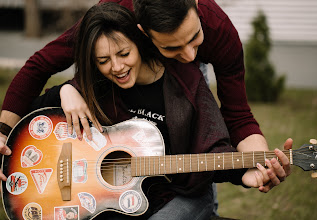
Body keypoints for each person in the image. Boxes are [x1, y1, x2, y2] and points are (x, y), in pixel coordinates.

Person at [21, 3, 286, 219]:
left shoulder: (186, 84)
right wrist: (66, 90)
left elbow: (214, 146)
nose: (117, 66)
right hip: (113, 204)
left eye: (124, 53)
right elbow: (34, 120)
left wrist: (245, 172)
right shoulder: (99, 83)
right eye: (103, 61)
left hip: (173, 195)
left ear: (138, 42)